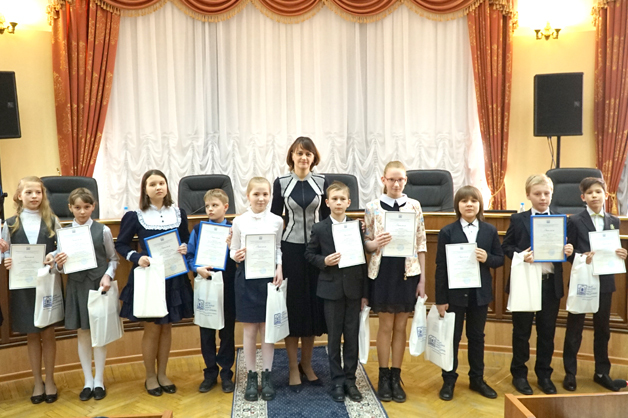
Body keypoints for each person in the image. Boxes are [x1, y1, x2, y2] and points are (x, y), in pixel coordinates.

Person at [115, 169, 193, 397]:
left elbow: (186, 239)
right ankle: (150, 376)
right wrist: (136, 257)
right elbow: (121, 244)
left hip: (173, 277)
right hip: (149, 277)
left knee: (167, 327)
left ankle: (163, 374)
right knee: (151, 328)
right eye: (152, 184)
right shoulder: (135, 215)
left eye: (162, 183)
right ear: (145, 190)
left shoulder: (178, 213)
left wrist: (185, 246)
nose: (158, 187)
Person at [502, 174, 573, 395]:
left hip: (550, 285)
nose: (543, 198)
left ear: (552, 194)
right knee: (521, 332)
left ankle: (544, 375)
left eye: (546, 193)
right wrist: (521, 255)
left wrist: (569, 250)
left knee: (547, 333)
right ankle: (519, 375)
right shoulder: (518, 219)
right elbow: (506, 247)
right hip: (525, 281)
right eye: (537, 194)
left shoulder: (562, 220)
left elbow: (569, 251)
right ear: (528, 195)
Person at [364, 161, 426, 403]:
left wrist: (422, 279)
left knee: (401, 327)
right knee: (385, 326)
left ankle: (395, 376)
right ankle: (383, 376)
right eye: (392, 179)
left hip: (407, 272)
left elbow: (421, 243)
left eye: (400, 179)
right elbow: (367, 243)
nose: (396, 184)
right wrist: (374, 243)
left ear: (406, 180)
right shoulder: (372, 207)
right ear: (384, 180)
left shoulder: (414, 206)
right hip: (383, 272)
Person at [270, 136, 329, 391]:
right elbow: (274, 220)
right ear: (291, 156)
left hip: (315, 251)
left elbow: (327, 218)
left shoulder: (322, 182)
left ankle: (307, 364)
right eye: (299, 153)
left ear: (314, 158)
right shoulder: (281, 183)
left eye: (308, 154)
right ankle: (293, 367)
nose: (304, 158)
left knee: (312, 308)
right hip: (291, 250)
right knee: (294, 309)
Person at [435, 185, 504, 401]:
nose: (469, 204)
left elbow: (499, 259)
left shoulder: (489, 230)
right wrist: (440, 300)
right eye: (464, 201)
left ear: (480, 204)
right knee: (452, 338)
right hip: (454, 296)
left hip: (479, 295)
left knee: (477, 337)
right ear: (458, 205)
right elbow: (440, 268)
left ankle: (477, 379)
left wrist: (487, 258)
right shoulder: (447, 232)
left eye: (473, 201)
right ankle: (448, 380)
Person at [304, 181, 369, 403]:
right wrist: (324, 261)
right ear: (327, 202)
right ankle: (337, 381)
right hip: (331, 291)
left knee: (351, 337)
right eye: (334, 199)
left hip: (353, 291)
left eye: (342, 199)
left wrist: (364, 293)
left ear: (348, 202)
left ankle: (351, 380)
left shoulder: (356, 227)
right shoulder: (320, 228)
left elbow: (363, 261)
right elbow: (309, 254)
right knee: (334, 339)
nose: (338, 202)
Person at [54, 188, 119, 401]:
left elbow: (113, 259)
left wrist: (108, 275)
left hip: (98, 287)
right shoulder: (64, 233)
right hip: (76, 286)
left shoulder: (103, 230)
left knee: (98, 334)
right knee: (82, 333)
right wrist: (59, 264)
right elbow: (59, 267)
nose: (82, 212)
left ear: (93, 207)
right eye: (77, 207)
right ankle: (87, 381)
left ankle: (99, 380)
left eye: (87, 207)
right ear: (70, 208)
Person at [563, 177, 627, 392]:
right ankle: (570, 373)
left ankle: (601, 372)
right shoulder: (574, 221)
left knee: (603, 329)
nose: (594, 196)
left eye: (598, 192)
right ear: (583, 197)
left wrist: (622, 253)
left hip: (605, 282)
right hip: (583, 279)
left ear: (605, 195)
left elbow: (614, 249)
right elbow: (569, 253)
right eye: (589, 193)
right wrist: (582, 257)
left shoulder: (614, 220)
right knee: (575, 329)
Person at [2, 176, 61, 404]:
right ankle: (37, 381)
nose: (34, 196)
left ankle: (50, 380)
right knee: (32, 334)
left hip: (48, 285)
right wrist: (6, 259)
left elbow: (62, 248)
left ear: (43, 195)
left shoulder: (52, 221)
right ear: (19, 196)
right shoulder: (9, 224)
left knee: (48, 333)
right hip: (23, 287)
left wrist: (53, 256)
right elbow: (5, 252)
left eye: (38, 192)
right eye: (29, 192)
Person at [231, 177, 284, 402]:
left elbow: (278, 247)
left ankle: (267, 375)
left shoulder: (277, 221)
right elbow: (233, 249)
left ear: (270, 196)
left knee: (267, 330)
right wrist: (237, 255)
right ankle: (251, 376)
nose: (261, 198)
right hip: (246, 280)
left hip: (269, 279)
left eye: (265, 194)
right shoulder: (239, 221)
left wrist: (279, 267)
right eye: (256, 194)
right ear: (248, 196)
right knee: (250, 330)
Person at [186, 189, 237, 393]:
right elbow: (190, 255)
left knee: (227, 332)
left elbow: (240, 257)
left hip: (228, 286)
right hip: (205, 283)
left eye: (215, 205)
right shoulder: (198, 229)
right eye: (207, 206)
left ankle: (226, 373)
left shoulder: (233, 230)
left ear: (225, 207)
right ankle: (209, 373)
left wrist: (233, 248)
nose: (210, 209)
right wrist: (196, 268)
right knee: (206, 331)